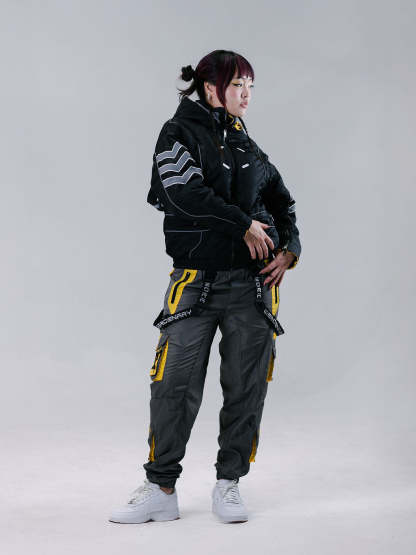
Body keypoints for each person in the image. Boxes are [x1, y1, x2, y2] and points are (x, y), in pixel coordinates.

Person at [109, 49, 301, 525]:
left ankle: (228, 484)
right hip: (194, 285)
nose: (246, 95)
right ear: (210, 87)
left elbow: (282, 201)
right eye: (238, 85)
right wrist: (242, 225)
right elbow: (184, 193)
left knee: (246, 387)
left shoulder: (245, 142)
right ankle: (161, 488)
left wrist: (289, 248)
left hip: (253, 288)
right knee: (172, 384)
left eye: (251, 87)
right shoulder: (178, 132)